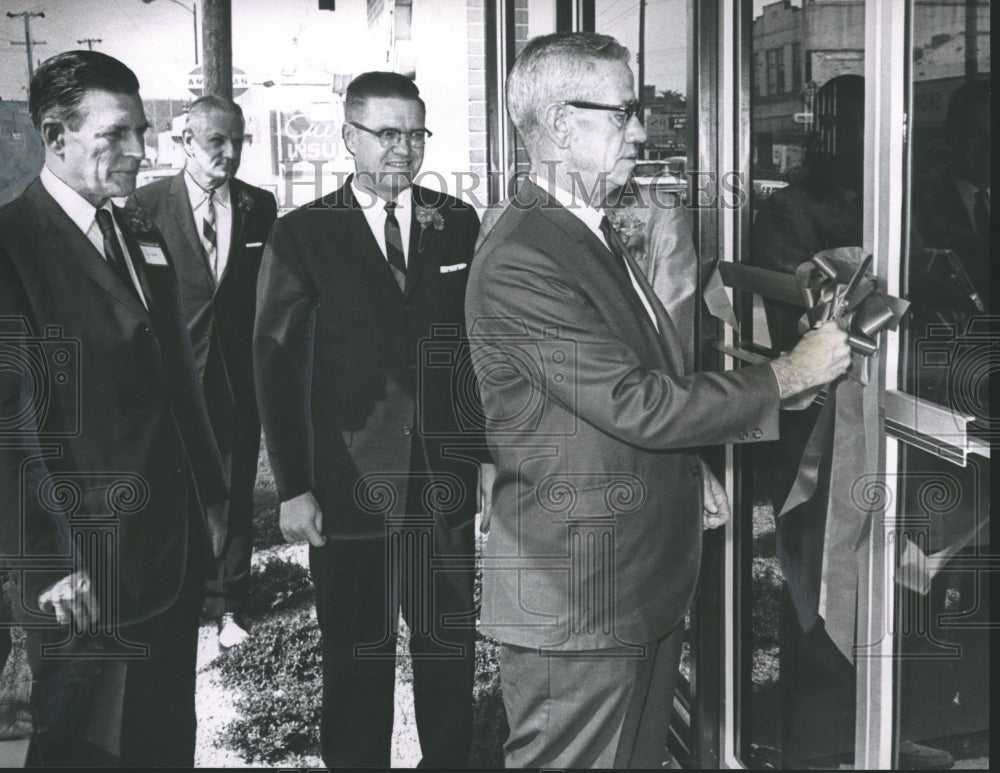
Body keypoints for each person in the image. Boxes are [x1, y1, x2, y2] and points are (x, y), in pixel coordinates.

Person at [465, 31, 851, 769]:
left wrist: (686, 468)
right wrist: (789, 374)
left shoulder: (579, 232)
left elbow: (617, 387)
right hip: (582, 603)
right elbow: (637, 401)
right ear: (560, 123)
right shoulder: (524, 254)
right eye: (624, 112)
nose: (641, 132)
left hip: (625, 588)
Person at [0, 50, 227, 767]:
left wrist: (211, 503)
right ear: (55, 135)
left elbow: (177, 381)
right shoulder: (11, 246)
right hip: (82, 572)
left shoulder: (138, 233)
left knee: (164, 741)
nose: (138, 150)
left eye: (141, 131)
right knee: (86, 751)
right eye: (115, 134)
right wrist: (50, 561)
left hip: (167, 553)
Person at [253, 71, 485, 768]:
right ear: (348, 137)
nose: (403, 149)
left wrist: (485, 455)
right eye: (387, 133)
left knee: (448, 648)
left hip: (441, 483)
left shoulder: (457, 221)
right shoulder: (302, 233)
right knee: (357, 655)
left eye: (415, 134)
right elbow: (277, 369)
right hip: (348, 486)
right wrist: (295, 486)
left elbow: (473, 351)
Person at [131, 95, 277, 649]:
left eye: (238, 140)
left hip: (236, 375)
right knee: (174, 488)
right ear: (186, 142)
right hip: (173, 377)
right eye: (218, 140)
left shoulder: (259, 205)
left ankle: (229, 605)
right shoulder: (144, 205)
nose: (230, 152)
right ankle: (180, 594)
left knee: (234, 492)